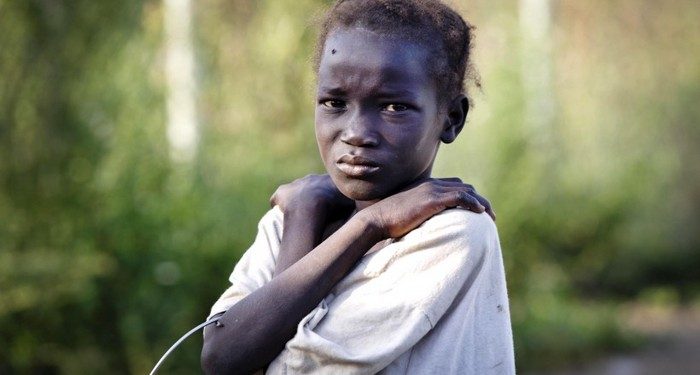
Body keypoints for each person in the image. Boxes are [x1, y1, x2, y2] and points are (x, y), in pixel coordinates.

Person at [201, 0, 515, 373]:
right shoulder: (293, 216)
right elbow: (221, 354)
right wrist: (303, 216)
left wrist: (370, 224)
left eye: (393, 107)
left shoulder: (456, 232)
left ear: (451, 119)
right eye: (334, 102)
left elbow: (288, 368)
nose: (356, 134)